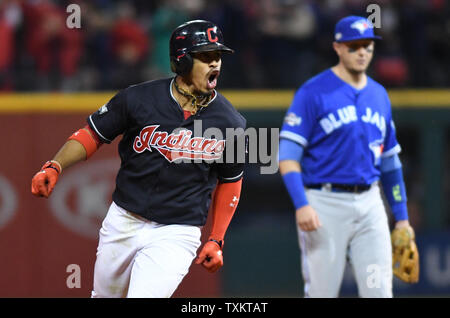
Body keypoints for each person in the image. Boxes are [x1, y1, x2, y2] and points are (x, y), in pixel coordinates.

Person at [31, 20, 246, 298]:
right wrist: (55, 165)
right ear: (182, 61)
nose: (215, 63)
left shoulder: (231, 123)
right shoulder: (139, 98)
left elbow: (230, 181)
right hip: (123, 220)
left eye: (217, 56)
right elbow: (92, 135)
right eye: (205, 56)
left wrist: (216, 238)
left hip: (177, 231)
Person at [278, 16, 414, 297]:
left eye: (367, 45)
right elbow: (287, 156)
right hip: (323, 204)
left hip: (370, 204)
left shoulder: (379, 95)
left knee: (379, 292)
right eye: (354, 46)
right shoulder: (312, 92)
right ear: (337, 47)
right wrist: (301, 204)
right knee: (321, 293)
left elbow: (390, 162)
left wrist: (401, 218)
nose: (362, 52)